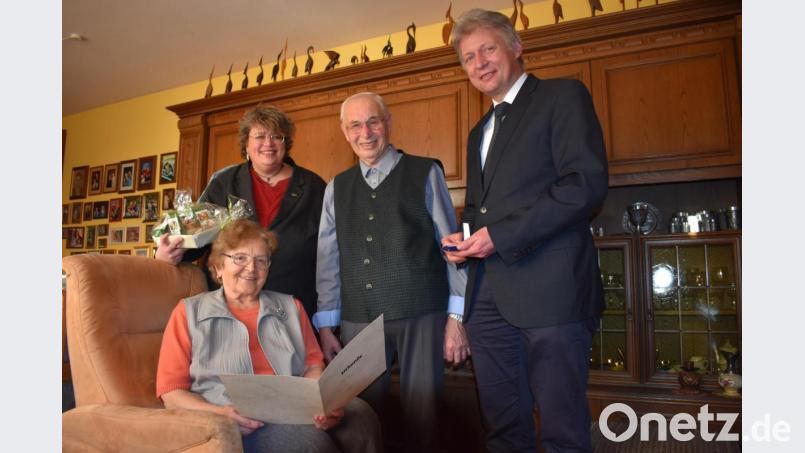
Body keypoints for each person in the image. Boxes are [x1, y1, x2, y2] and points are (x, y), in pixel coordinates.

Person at [442, 9, 609, 452]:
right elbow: (482, 212)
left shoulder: (562, 96)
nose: (478, 63)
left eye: (488, 49)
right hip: (487, 301)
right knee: (501, 427)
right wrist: (464, 239)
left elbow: (584, 185)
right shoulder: (478, 131)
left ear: (516, 47)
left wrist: (500, 235)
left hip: (552, 291)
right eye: (468, 57)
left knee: (562, 430)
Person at [314, 92, 470, 451]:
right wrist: (326, 325)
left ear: (388, 123)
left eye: (373, 121)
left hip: (422, 314)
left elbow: (454, 251)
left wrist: (456, 318)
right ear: (344, 130)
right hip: (358, 320)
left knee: (423, 416)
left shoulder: (425, 171)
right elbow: (327, 259)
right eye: (355, 124)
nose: (365, 132)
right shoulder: (336, 187)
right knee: (360, 416)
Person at [156, 219, 381, 453]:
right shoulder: (189, 312)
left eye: (260, 260)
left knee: (361, 418)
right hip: (235, 418)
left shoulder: (291, 307)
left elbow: (312, 366)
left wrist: (323, 403)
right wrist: (221, 414)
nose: (251, 268)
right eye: (240, 258)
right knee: (310, 444)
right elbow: (171, 393)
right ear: (218, 266)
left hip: (294, 405)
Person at [155, 105, 326, 319]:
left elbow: (329, 252)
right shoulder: (224, 182)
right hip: (231, 307)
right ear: (246, 143)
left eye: (277, 136)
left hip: (294, 307)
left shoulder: (314, 186)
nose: (268, 143)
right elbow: (195, 233)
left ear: (286, 143)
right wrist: (167, 252)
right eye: (259, 136)